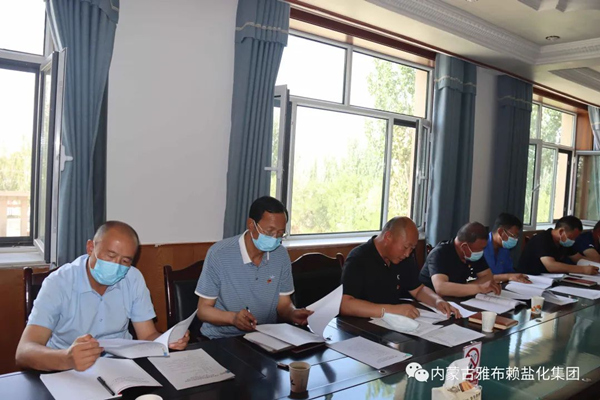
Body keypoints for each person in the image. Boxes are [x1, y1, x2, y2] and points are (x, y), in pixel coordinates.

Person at [15, 221, 189, 372]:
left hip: (122, 367)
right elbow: (24, 352)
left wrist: (167, 340)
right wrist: (67, 359)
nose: (116, 265)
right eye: (111, 256)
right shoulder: (59, 282)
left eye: (125, 261)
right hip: (67, 370)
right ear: (91, 248)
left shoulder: (133, 278)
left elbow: (147, 336)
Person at [195, 196, 312, 339]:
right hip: (222, 338)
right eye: (269, 232)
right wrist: (233, 318)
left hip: (266, 336)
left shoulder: (280, 255)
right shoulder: (219, 254)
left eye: (280, 233)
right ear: (251, 224)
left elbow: (284, 304)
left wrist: (293, 313)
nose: (275, 238)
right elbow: (203, 310)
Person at [340, 217, 461, 319]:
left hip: (392, 324)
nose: (408, 254)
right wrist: (392, 310)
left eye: (412, 249)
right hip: (361, 326)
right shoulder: (359, 258)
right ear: (388, 237)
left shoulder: (403, 258)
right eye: (406, 247)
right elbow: (345, 304)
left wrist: (437, 301)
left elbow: (418, 290)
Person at [419, 222, 504, 297]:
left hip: (456, 299)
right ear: (464, 246)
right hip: (429, 301)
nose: (481, 252)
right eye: (480, 249)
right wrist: (478, 288)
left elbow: (488, 277)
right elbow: (441, 288)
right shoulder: (439, 253)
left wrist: (465, 288)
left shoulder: (474, 252)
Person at [517, 216, 599, 275]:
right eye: (572, 237)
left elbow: (578, 259)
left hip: (551, 278)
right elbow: (551, 266)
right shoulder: (542, 239)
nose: (573, 240)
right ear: (561, 232)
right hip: (531, 278)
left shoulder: (563, 242)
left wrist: (595, 266)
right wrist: (583, 269)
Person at [484, 213, 532, 283]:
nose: (515, 239)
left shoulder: (504, 248)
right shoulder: (480, 247)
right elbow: (480, 278)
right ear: (500, 232)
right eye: (514, 236)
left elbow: (509, 271)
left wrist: (517, 276)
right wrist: (508, 276)